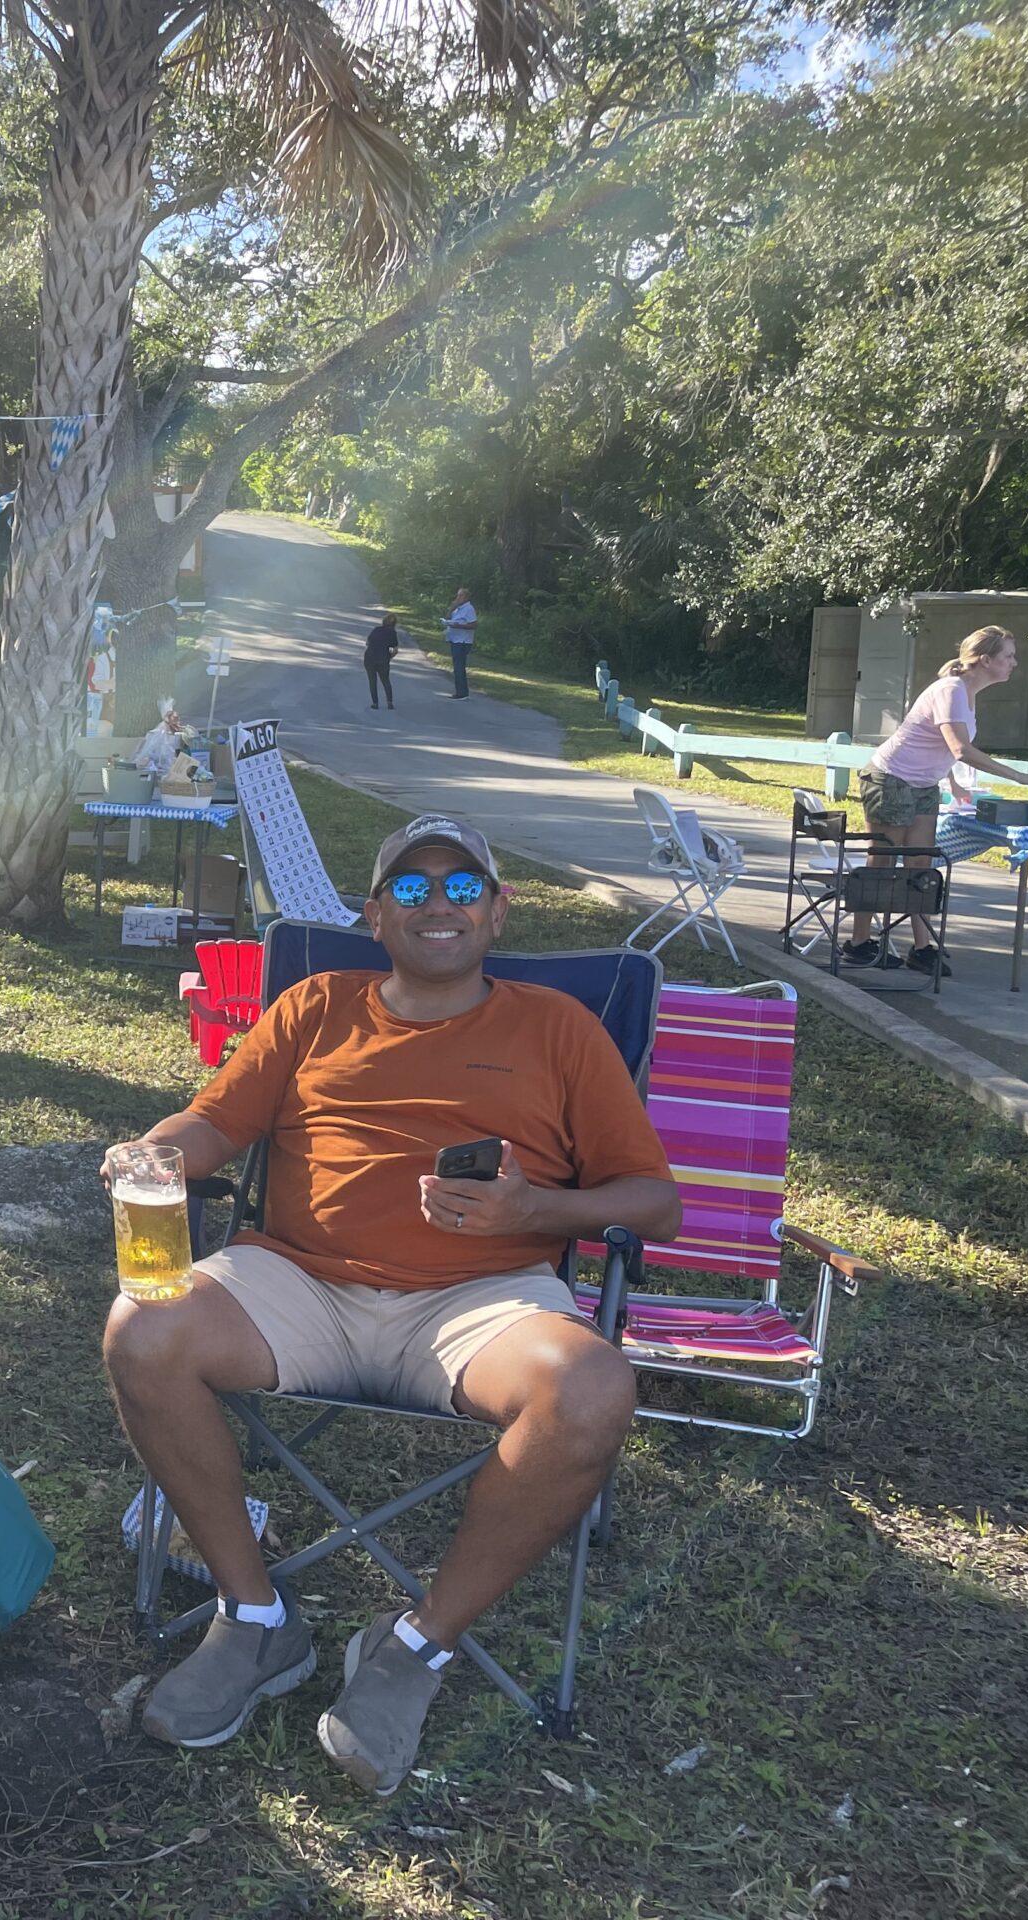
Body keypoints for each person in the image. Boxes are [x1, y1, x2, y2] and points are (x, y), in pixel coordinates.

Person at [101, 814, 679, 1795]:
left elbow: (654, 1203)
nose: (437, 904)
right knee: (143, 1328)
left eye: (462, 886)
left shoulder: (559, 1028)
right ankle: (253, 1618)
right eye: (411, 888)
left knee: (590, 1392)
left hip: (482, 1298)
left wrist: (534, 1209)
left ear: (498, 911)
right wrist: (152, 1154)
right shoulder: (315, 1006)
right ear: (375, 917)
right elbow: (213, 1122)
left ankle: (415, 1645)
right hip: (299, 1280)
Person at [847, 624, 1028, 978]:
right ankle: (858, 943)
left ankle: (921, 948)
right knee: (883, 860)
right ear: (985, 660)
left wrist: (953, 782)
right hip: (890, 779)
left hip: (924, 785)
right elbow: (960, 748)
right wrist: (1020, 777)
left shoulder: (967, 693)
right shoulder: (951, 690)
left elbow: (939, 745)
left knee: (920, 865)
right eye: (1008, 656)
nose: (1014, 663)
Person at [442, 590, 477, 699]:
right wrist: (451, 608)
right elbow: (447, 618)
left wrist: (459, 626)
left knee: (459, 667)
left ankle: (462, 693)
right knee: (457, 667)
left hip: (463, 641)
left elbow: (474, 625)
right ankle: (460, 691)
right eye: (457, 595)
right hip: (455, 640)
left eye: (461, 596)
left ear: (466, 597)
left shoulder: (469, 609)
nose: (458, 598)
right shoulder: (458, 609)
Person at [364, 613, 401, 711]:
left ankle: (375, 703)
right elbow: (395, 650)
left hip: (369, 658)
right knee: (385, 680)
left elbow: (367, 643)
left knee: (372, 681)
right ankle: (390, 702)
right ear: (394, 623)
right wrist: (389, 657)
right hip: (383, 659)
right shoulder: (393, 633)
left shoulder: (376, 629)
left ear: (384, 621)